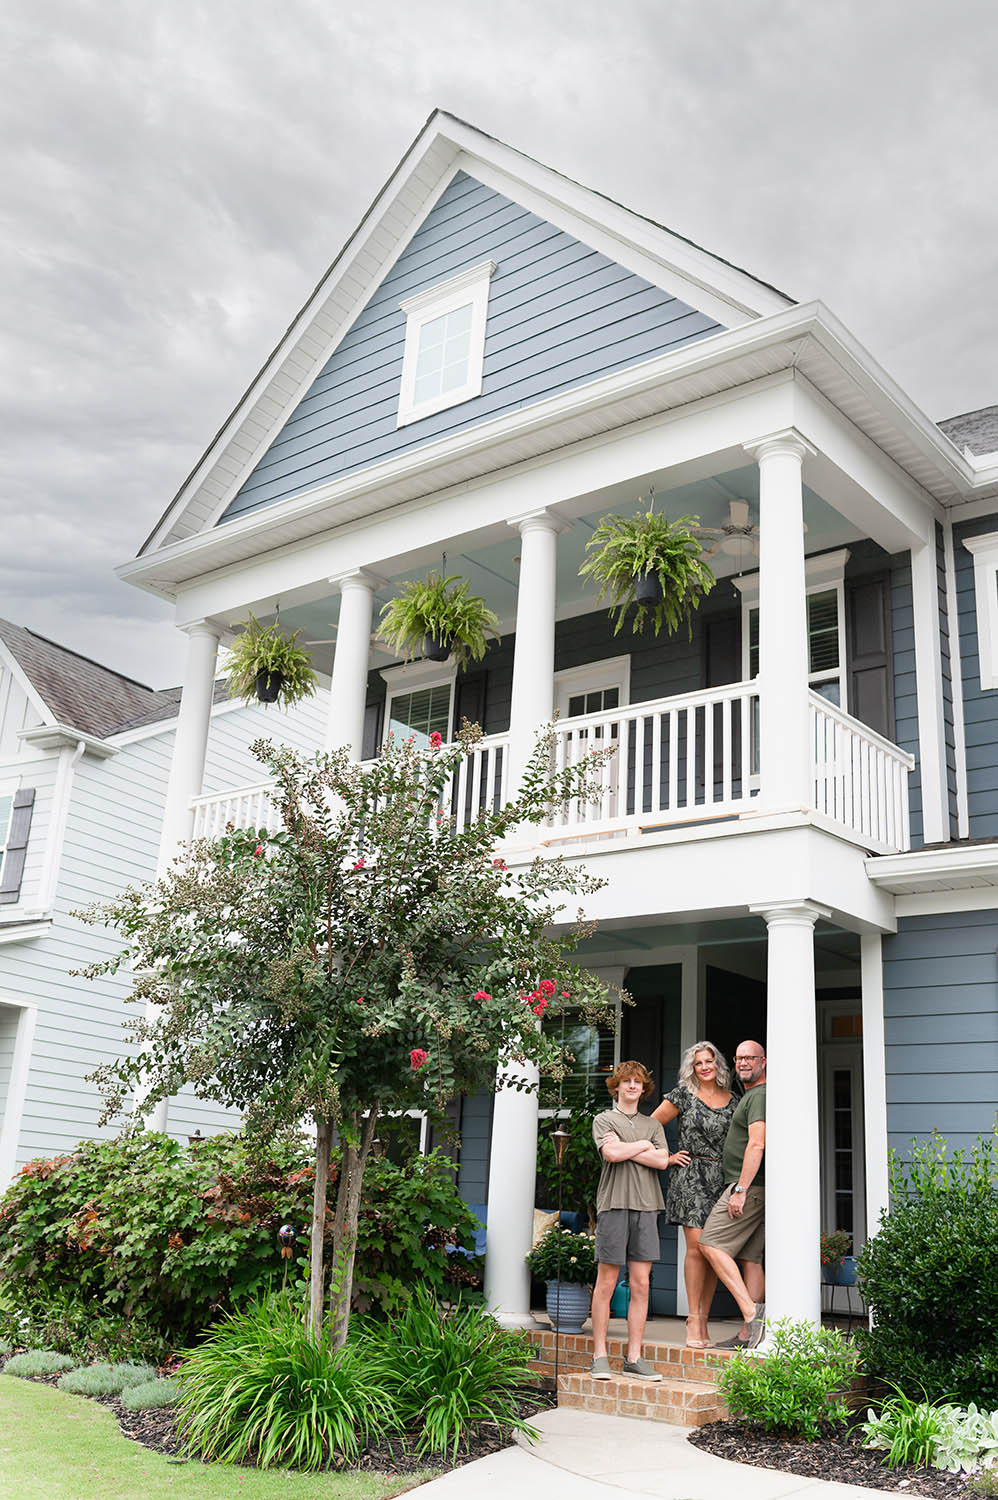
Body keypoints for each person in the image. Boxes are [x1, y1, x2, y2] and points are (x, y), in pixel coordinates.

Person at [589, 1059, 674, 1381]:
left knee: (640, 1284)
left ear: (643, 1088)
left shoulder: (654, 1125)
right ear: (617, 1086)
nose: (632, 1086)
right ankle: (600, 1355)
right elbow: (610, 1155)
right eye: (627, 1081)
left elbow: (662, 1161)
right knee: (607, 1282)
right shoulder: (604, 1119)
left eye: (638, 1082)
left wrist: (628, 1147)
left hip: (647, 1206)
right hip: (613, 1206)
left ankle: (634, 1357)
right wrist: (642, 1147)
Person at [651, 1041, 736, 1348]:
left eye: (709, 1061)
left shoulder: (733, 1100)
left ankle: (703, 1318)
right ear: (693, 1068)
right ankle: (693, 1319)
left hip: (720, 1179)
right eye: (698, 1063)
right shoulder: (683, 1095)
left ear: (718, 1065)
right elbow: (650, 1125)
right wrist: (666, 1156)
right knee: (697, 1248)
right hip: (690, 1176)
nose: (704, 1067)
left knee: (715, 1252)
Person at [698, 1039, 767, 1349]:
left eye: (750, 1058)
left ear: (764, 1062)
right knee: (750, 1259)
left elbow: (757, 1144)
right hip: (759, 1187)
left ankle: (752, 1314)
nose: (743, 1063)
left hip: (748, 1187)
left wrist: (740, 1189)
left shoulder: (760, 1096)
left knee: (710, 1244)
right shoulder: (752, 1095)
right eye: (739, 1058)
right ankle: (748, 1335)